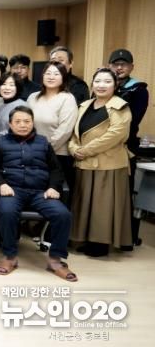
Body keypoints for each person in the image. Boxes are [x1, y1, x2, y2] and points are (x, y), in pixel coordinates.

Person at [0, 106, 77, 282]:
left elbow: (56, 169)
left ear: (32, 123)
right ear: (10, 124)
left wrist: (53, 187)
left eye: (27, 121)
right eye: (18, 122)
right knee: (7, 211)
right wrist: (2, 184)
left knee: (63, 214)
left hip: (40, 192)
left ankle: (55, 260)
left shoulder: (43, 143)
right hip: (12, 190)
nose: (23, 125)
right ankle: (10, 257)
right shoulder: (0, 143)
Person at [69, 68, 132, 257]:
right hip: (84, 162)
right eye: (97, 81)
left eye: (107, 81)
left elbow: (115, 135)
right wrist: (73, 148)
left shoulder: (121, 107)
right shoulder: (84, 105)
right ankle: (84, 239)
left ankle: (100, 244)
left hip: (108, 164)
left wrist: (85, 150)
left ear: (115, 85)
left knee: (103, 206)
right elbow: (74, 133)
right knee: (84, 202)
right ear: (92, 84)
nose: (101, 85)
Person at [109, 48, 149, 244]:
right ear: (109, 66)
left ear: (131, 67)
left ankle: (128, 238)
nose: (119, 68)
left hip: (125, 147)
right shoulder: (104, 85)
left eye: (123, 64)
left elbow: (132, 121)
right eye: (115, 64)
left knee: (124, 193)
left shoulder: (138, 90)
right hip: (102, 148)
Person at [27, 62, 78, 201]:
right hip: (31, 153)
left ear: (63, 77)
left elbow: (65, 130)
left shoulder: (67, 98)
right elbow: (24, 122)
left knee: (51, 197)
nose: (51, 77)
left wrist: (44, 151)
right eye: (48, 73)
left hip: (56, 155)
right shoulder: (33, 97)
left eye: (56, 74)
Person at [0, 72, 27, 139]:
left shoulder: (22, 106)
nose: (7, 88)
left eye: (11, 85)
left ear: (17, 88)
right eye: (4, 84)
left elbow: (19, 129)